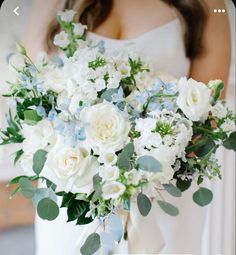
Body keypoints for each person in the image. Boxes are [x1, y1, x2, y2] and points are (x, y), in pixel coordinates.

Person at [25, 0, 231, 254]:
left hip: (162, 197)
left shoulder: (208, 4)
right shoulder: (52, 3)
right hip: (73, 190)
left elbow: (207, 113)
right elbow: (37, 97)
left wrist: (141, 178)